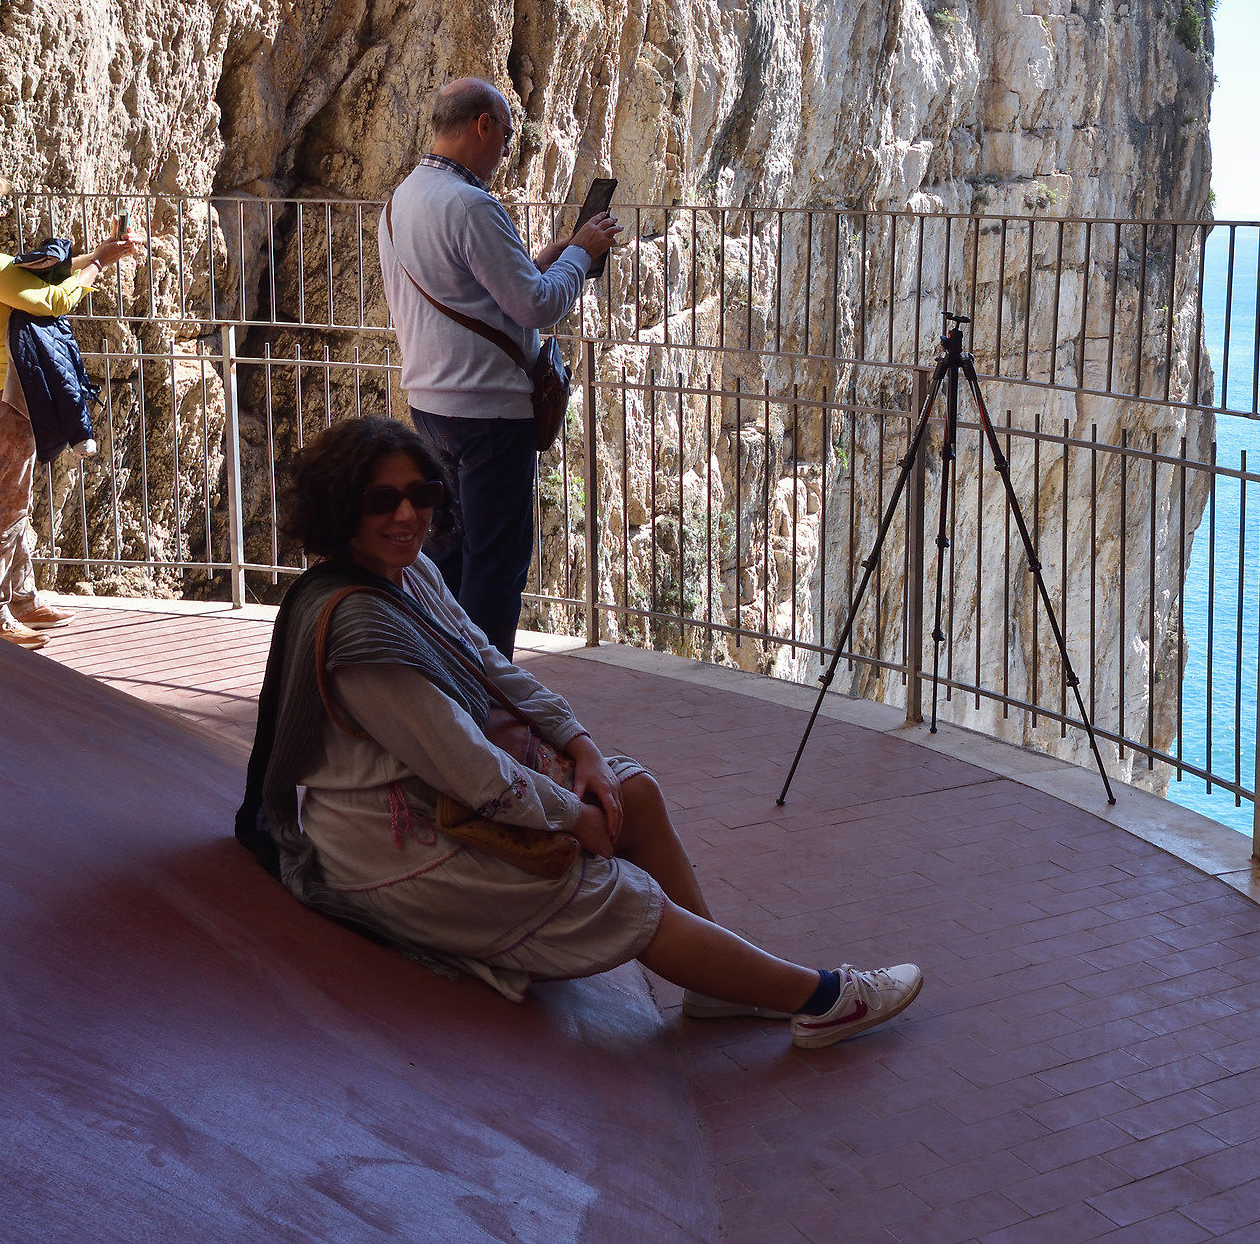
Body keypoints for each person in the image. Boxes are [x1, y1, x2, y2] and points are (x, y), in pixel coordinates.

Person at [235, 416, 922, 1046]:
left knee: (633, 792)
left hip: (438, 801)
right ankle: (825, 998)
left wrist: (581, 745)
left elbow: (487, 660)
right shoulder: (362, 633)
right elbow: (472, 769)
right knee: (623, 896)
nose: (408, 513)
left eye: (422, 493)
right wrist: (572, 818)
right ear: (340, 507)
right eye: (381, 500)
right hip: (397, 849)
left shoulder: (408, 573)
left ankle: (716, 990)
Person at [381, 78, 622, 657]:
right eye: (507, 136)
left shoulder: (405, 198)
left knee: (450, 554)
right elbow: (537, 304)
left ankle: (444, 671)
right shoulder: (471, 204)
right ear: (482, 127)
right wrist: (583, 256)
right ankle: (488, 696)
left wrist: (563, 249)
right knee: (497, 564)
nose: (507, 150)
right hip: (489, 412)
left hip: (432, 406)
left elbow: (481, 287)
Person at [0, 158, 140, 647]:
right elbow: (50, 301)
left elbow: (38, 283)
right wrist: (100, 265)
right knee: (2, 504)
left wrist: (98, 255)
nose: (2, 213)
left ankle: (21, 597)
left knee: (13, 499)